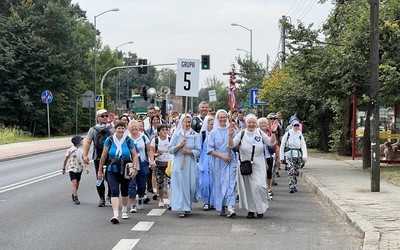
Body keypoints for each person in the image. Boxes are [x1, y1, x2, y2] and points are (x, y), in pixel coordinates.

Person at [229, 114, 277, 219]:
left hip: (258, 164)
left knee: (259, 186)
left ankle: (260, 208)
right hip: (245, 165)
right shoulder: (242, 134)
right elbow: (232, 145)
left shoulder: (259, 133)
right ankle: (251, 210)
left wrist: (273, 133)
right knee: (249, 189)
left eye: (253, 122)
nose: (251, 124)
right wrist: (229, 136)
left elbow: (271, 142)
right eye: (249, 122)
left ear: (256, 124)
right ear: (246, 123)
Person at [98, 121, 138, 224]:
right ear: (115, 129)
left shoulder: (129, 140)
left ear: (125, 129)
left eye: (122, 128)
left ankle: (124, 210)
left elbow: (134, 155)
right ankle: (115, 214)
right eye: (118, 128)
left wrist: (134, 168)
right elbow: (103, 155)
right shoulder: (110, 140)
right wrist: (100, 169)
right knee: (114, 190)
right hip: (112, 168)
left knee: (124, 190)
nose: (120, 130)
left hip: (125, 168)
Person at [168, 114, 201, 218]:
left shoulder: (194, 135)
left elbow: (199, 150)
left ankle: (188, 204)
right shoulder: (177, 134)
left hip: (190, 163)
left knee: (191, 186)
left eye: (189, 122)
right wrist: (179, 146)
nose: (187, 124)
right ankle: (184, 208)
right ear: (181, 123)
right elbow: (170, 149)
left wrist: (189, 151)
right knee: (181, 185)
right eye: (185, 122)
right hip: (179, 162)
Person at [207, 110, 238, 218]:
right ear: (217, 119)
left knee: (230, 182)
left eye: (224, 117)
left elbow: (236, 145)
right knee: (220, 184)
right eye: (220, 117)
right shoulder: (213, 133)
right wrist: (222, 156)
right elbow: (210, 150)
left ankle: (230, 206)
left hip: (231, 160)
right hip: (218, 161)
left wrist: (231, 136)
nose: (223, 119)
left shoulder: (233, 130)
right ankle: (222, 206)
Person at [82, 109, 114, 207]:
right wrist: (85, 155)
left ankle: (110, 195)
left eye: (106, 115)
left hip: (111, 157)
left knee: (111, 177)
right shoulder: (93, 129)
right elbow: (87, 142)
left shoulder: (112, 128)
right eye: (102, 116)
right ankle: (102, 198)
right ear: (97, 118)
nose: (105, 117)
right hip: (97, 157)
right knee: (99, 178)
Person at [127, 121, 156, 212]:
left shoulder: (143, 137)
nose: (134, 128)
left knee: (142, 185)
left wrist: (151, 160)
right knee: (131, 185)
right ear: (129, 128)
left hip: (142, 164)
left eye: (135, 126)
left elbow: (149, 150)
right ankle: (133, 204)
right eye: (132, 127)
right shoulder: (126, 138)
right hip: (131, 165)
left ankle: (140, 197)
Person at [279, 119, 308, 193]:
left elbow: (303, 145)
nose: (296, 127)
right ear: (292, 126)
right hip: (289, 154)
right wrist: (281, 157)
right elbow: (282, 145)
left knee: (296, 170)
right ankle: (291, 186)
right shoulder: (288, 133)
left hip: (297, 154)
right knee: (291, 169)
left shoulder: (300, 134)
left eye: (297, 125)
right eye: (295, 125)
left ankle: (294, 184)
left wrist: (304, 156)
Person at [62, 135, 89, 205]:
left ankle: (74, 193)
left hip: (79, 168)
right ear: (77, 142)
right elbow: (65, 159)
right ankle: (76, 197)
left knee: (77, 183)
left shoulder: (81, 150)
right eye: (81, 140)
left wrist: (86, 167)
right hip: (72, 168)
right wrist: (63, 168)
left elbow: (84, 159)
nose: (82, 142)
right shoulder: (70, 150)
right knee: (74, 182)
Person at [151, 124, 173, 208]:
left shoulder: (170, 139)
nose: (165, 131)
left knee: (169, 183)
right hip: (159, 163)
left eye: (166, 129)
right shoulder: (155, 140)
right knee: (160, 183)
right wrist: (157, 154)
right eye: (163, 130)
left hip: (168, 163)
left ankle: (170, 200)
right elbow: (152, 153)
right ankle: (161, 199)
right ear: (159, 131)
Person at [198, 116, 215, 211]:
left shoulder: (216, 134)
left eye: (214, 124)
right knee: (205, 182)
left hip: (214, 159)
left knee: (213, 182)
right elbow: (199, 148)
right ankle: (206, 201)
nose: (212, 126)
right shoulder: (203, 135)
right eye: (211, 124)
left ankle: (212, 202)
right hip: (204, 160)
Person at [258, 117, 275, 200]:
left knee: (269, 173)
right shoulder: (257, 133)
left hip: (269, 155)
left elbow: (274, 143)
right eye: (261, 123)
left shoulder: (270, 132)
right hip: (261, 157)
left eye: (265, 123)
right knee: (262, 174)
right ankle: (262, 190)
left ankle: (269, 189)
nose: (263, 124)